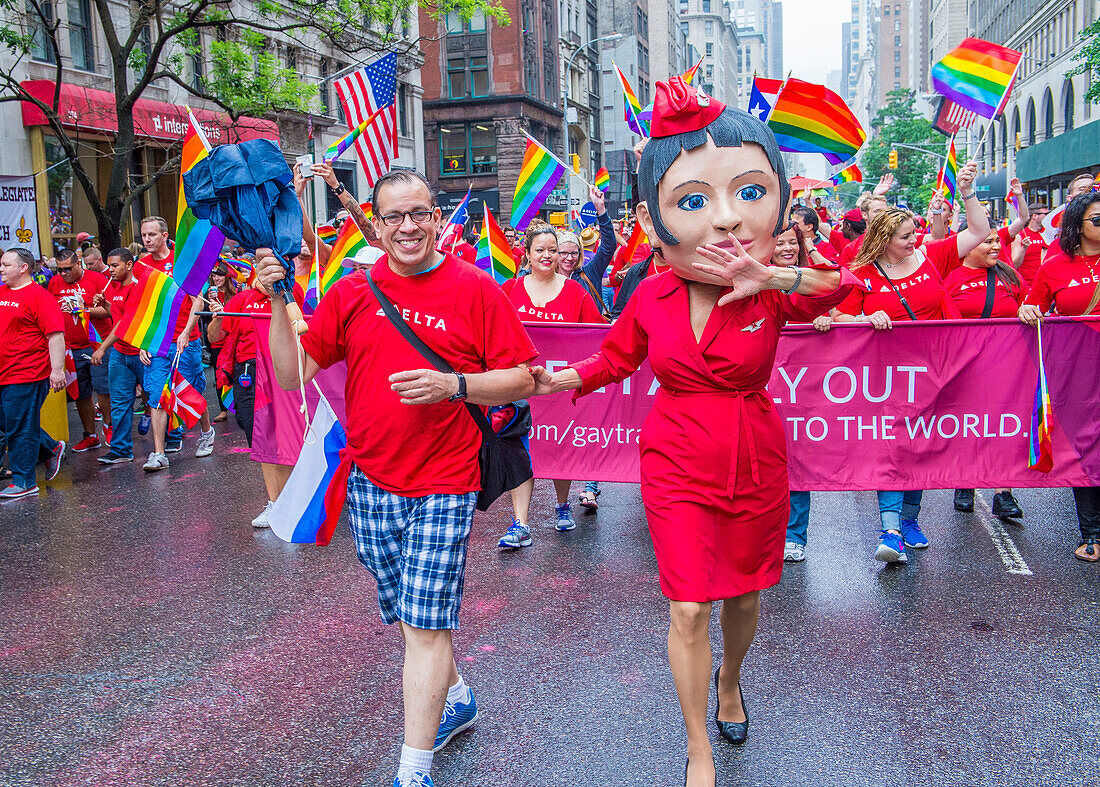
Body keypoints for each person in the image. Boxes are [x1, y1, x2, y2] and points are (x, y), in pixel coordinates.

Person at [528, 78, 857, 787]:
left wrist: (772, 275)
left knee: (743, 595)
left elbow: (841, 286)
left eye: (746, 194)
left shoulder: (771, 285)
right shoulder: (651, 293)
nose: (727, 220)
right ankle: (697, 747)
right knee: (686, 603)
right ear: (656, 218)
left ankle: (731, 680)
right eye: (696, 200)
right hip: (675, 457)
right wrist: (563, 378)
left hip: (754, 456)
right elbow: (617, 356)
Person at [256, 168, 537, 787]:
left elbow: (522, 376)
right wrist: (277, 301)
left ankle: (413, 771)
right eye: (394, 217)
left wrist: (453, 386)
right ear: (377, 227)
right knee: (410, 615)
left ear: (437, 218)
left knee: (427, 623)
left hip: (448, 480)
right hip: (372, 480)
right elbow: (290, 373)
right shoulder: (353, 290)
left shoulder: (476, 290)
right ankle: (457, 694)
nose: (408, 227)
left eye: (419, 214)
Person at [834, 165, 991, 564]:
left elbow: (978, 233)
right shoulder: (863, 273)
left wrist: (968, 191)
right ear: (885, 240)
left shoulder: (931, 255)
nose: (913, 240)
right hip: (885, 377)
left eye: (914, 234)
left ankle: (909, 521)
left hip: (933, 372)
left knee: (919, 447)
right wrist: (866, 319)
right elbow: (839, 317)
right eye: (905, 236)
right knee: (890, 449)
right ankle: (888, 528)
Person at [496, 221, 607, 549]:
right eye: (540, 250)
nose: (548, 256)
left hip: (559, 389)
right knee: (521, 451)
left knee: (559, 447)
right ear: (527, 254)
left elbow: (598, 335)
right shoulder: (509, 290)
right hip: (519, 391)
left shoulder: (575, 291)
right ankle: (521, 523)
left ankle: (562, 505)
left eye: (553, 250)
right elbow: (494, 332)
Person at [1019, 191, 1100, 562]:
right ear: (1077, 227)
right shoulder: (1054, 266)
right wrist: (1028, 312)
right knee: (1088, 448)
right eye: (1096, 220)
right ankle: (1092, 533)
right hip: (1078, 374)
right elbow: (1032, 304)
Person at [944, 230, 1029, 519]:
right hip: (965, 366)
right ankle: (965, 480)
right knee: (968, 424)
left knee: (1002, 426)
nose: (995, 246)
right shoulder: (950, 277)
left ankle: (1002, 492)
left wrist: (1029, 312)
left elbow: (1029, 305)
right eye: (988, 241)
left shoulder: (1010, 277)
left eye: (997, 241)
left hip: (1006, 365)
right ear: (967, 247)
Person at [208, 276, 304, 527]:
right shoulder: (242, 299)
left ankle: (287, 501)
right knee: (258, 435)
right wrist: (219, 317)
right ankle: (277, 503)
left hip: (281, 370)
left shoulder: (291, 293)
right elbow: (214, 337)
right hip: (248, 372)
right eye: (261, 269)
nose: (265, 275)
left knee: (284, 434)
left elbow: (301, 327)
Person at [768, 224, 838, 563]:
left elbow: (840, 301)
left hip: (802, 389)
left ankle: (795, 535)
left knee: (797, 462)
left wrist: (825, 318)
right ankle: (763, 535)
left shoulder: (811, 279)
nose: (786, 249)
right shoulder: (756, 280)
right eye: (779, 243)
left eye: (792, 243)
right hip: (763, 385)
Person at [135, 217, 216, 471]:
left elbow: (198, 301)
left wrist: (186, 332)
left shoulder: (181, 262)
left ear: (165, 235)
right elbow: (142, 306)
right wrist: (143, 341)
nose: (147, 240)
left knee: (190, 392)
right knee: (157, 394)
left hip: (186, 341)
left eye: (152, 235)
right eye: (144, 235)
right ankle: (159, 453)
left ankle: (206, 431)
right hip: (157, 342)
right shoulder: (141, 266)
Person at [0, 248, 66, 498]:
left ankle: (24, 482)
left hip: (26, 373)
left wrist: (57, 370)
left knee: (19, 428)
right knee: (12, 425)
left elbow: (55, 335)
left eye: (6, 265)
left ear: (23, 268)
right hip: (2, 372)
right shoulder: (2, 292)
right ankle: (50, 447)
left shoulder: (39, 296)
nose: (1, 269)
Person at [47, 248, 112, 452]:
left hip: (97, 345)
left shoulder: (97, 280)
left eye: (68, 269)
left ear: (79, 264)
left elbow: (108, 312)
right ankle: (90, 435)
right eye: (59, 270)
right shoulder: (54, 283)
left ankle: (110, 428)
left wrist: (84, 310)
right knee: (80, 393)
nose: (64, 273)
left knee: (103, 390)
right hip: (70, 347)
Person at [90, 249, 143, 464]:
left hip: (141, 351)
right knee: (119, 402)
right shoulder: (113, 287)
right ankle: (121, 450)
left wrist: (102, 348)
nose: (110, 270)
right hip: (121, 353)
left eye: (115, 266)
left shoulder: (138, 287)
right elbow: (118, 314)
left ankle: (170, 438)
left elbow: (125, 323)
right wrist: (106, 305)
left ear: (129, 265)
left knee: (154, 398)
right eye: (109, 266)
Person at [202, 264, 238, 423]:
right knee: (219, 376)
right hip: (217, 342)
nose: (216, 278)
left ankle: (238, 405)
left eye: (220, 275)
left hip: (233, 340)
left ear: (227, 277)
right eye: (214, 275)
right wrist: (209, 303)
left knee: (236, 374)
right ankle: (223, 409)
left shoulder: (236, 294)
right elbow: (204, 319)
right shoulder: (208, 295)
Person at [1016, 202, 1049, 285]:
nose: (1048, 216)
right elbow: (1014, 263)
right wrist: (1023, 248)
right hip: (1026, 284)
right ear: (1034, 216)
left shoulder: (1049, 234)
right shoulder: (1021, 235)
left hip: (1045, 282)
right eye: (1045, 214)